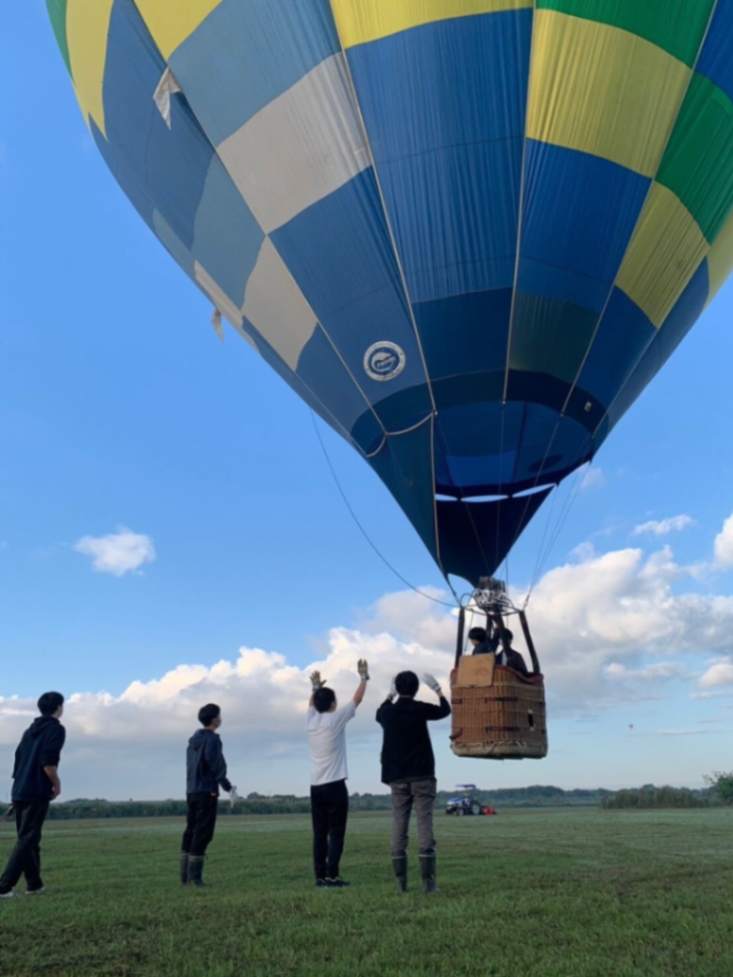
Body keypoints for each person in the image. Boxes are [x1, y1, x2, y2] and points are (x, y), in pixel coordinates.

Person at [376, 671, 451, 894]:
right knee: (424, 823)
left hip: (396, 777)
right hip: (422, 775)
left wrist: (389, 695)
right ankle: (428, 884)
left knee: (399, 824)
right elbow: (444, 711)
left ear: (397, 688)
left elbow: (379, 712)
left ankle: (401, 885)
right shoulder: (419, 708)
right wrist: (437, 690)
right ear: (416, 689)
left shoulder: (388, 712)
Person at [307, 659, 369, 888]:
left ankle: (319, 877)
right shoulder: (335, 719)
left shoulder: (311, 721)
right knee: (337, 833)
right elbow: (357, 700)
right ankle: (332, 875)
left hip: (315, 786)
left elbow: (312, 705)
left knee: (319, 834)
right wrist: (363, 678)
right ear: (333, 703)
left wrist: (314, 689)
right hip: (335, 786)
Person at [0, 691, 66, 898]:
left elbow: (18, 758)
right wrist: (56, 783)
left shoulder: (29, 731)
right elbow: (48, 761)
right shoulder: (56, 729)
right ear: (58, 708)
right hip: (37, 789)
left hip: (20, 789)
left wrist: (17, 789)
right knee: (28, 839)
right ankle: (4, 886)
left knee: (29, 839)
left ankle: (34, 885)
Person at [181, 703, 234, 887]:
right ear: (214, 719)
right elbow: (215, 764)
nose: (221, 718)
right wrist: (227, 786)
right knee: (203, 833)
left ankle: (185, 878)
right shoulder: (213, 740)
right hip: (207, 791)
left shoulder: (192, 740)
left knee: (190, 830)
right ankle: (195, 878)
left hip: (191, 790)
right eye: (219, 715)